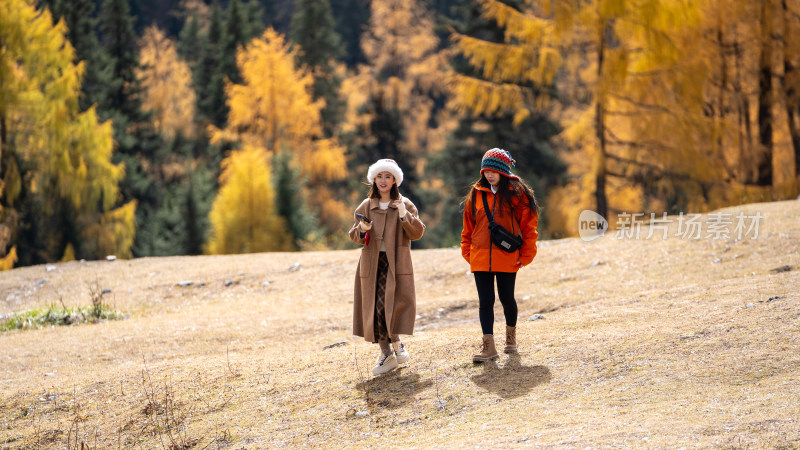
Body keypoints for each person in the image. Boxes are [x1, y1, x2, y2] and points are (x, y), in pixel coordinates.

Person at [461, 148, 539, 362]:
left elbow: (529, 226)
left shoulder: (517, 193)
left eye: (494, 170)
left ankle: (510, 340)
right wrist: (468, 252)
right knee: (485, 301)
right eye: (486, 170)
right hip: (479, 257)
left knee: (506, 298)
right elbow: (468, 226)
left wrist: (526, 255)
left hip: (507, 256)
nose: (489, 174)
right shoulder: (476, 194)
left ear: (504, 171)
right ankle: (489, 348)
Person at [349, 159, 426, 375]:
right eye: (380, 176)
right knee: (375, 308)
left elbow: (417, 233)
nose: (383, 181)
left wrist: (403, 214)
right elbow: (355, 236)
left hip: (396, 263)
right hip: (372, 264)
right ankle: (387, 353)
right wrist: (363, 229)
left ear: (395, 180)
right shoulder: (365, 206)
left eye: (388, 177)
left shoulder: (406, 204)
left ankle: (397, 344)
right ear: (373, 179)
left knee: (393, 305)